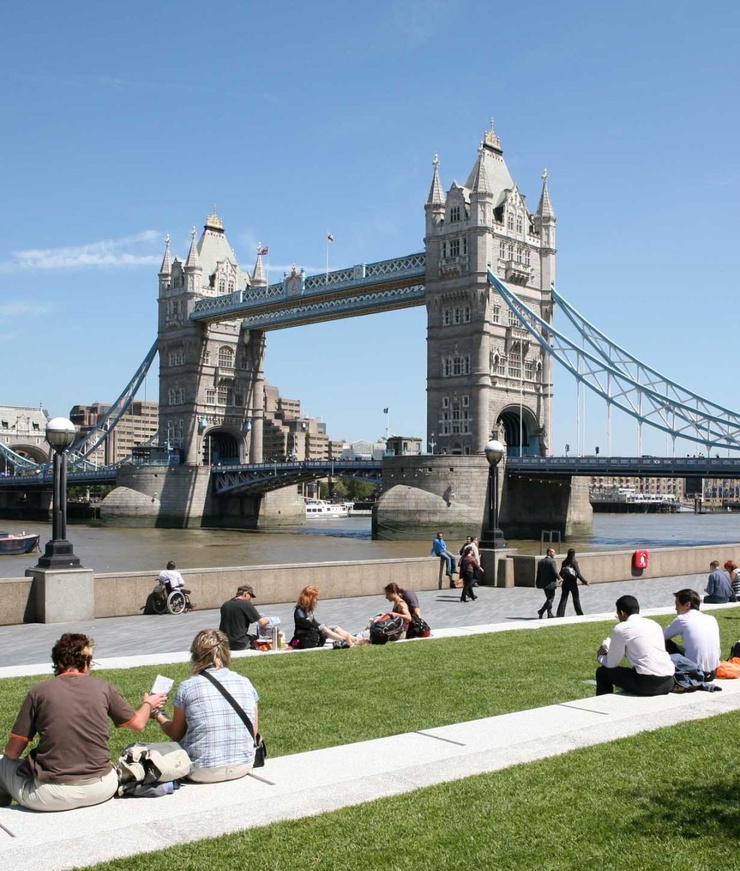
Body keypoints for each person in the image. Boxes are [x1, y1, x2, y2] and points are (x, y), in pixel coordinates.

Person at [0, 633, 167, 812]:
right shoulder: (104, 687)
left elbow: (13, 752)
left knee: (2, 763)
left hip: (52, 795)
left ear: (57, 662)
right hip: (102, 787)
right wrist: (149, 703)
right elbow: (138, 723)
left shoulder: (39, 692)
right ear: (86, 661)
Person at [153, 629, 259, 783]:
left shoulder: (187, 687)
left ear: (195, 655)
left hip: (201, 770)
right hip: (243, 765)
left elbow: (176, 733)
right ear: (226, 653)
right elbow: (253, 732)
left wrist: (157, 714)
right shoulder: (245, 682)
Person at [595, 595, 675, 696]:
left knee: (602, 672)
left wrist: (600, 656)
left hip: (647, 683)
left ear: (622, 613)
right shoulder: (654, 624)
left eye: (617, 614)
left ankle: (603, 705)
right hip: (669, 681)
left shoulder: (621, 628)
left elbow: (612, 664)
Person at [663, 589, 721, 681]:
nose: (676, 608)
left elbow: (660, 637)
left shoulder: (682, 619)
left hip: (695, 672)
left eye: (677, 604)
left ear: (687, 605)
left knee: (665, 643)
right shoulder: (711, 619)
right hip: (713, 672)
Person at [290, 585, 360, 648]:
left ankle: (354, 639)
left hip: (313, 631)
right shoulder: (299, 610)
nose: (317, 600)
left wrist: (321, 625)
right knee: (324, 629)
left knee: (336, 628)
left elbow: (314, 622)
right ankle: (344, 640)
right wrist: (320, 627)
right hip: (305, 635)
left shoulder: (309, 610)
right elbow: (305, 623)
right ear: (309, 598)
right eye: (315, 598)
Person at [219, 585, 271, 650]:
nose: (250, 599)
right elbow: (262, 622)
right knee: (257, 638)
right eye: (250, 596)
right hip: (239, 644)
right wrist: (269, 619)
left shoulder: (225, 605)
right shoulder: (246, 604)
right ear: (245, 594)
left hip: (224, 643)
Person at [556, 548, 590, 617]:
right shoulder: (574, 562)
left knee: (564, 598)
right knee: (576, 599)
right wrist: (585, 581)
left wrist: (564, 578)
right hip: (572, 583)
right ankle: (579, 614)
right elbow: (578, 574)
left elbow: (560, 573)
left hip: (565, 583)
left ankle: (560, 614)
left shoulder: (564, 562)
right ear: (574, 554)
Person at [535, 548, 559, 618]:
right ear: (549, 553)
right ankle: (541, 611)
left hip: (543, 583)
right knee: (550, 599)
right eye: (553, 552)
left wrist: (537, 583)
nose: (554, 554)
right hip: (551, 583)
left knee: (549, 598)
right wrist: (560, 578)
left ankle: (549, 614)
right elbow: (555, 572)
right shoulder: (552, 562)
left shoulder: (540, 562)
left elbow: (538, 573)